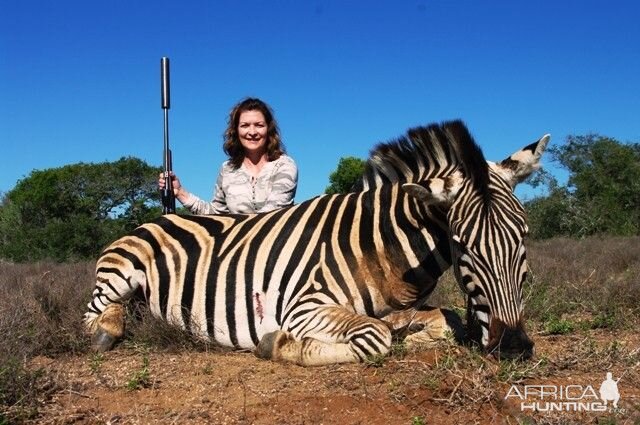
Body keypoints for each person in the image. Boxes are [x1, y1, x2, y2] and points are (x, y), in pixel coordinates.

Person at [159, 97, 298, 214]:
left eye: (259, 125)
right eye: (245, 125)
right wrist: (179, 192)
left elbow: (273, 213)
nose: (252, 131)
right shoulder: (227, 169)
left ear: (268, 129)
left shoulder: (284, 165)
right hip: (238, 244)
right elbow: (216, 214)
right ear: (236, 130)